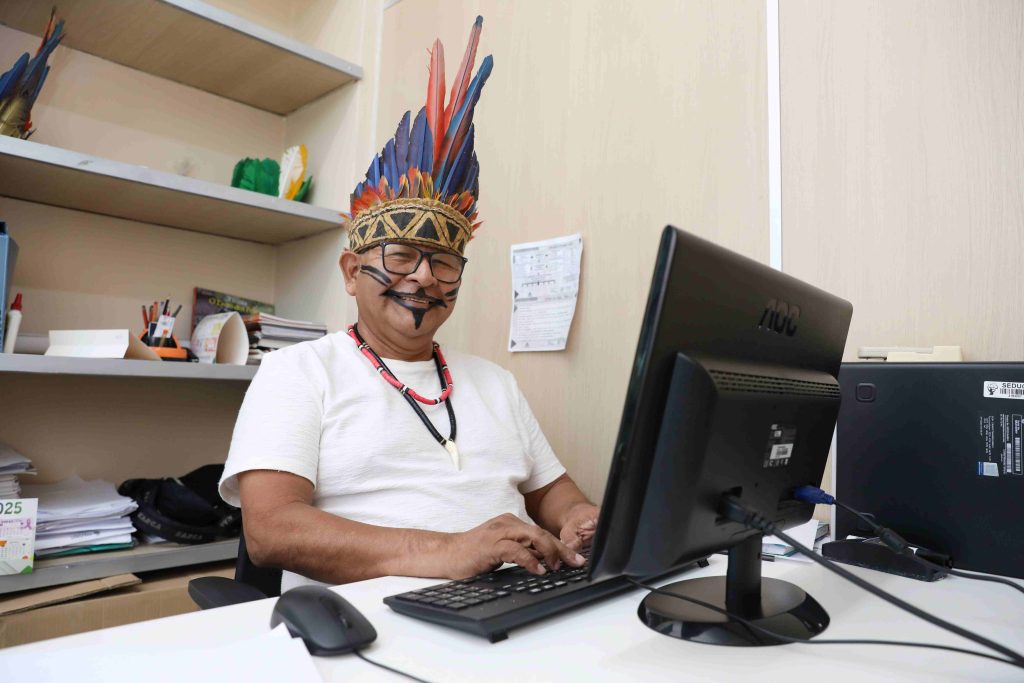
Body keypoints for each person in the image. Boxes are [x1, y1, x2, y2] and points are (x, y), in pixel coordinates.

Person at [218, 17, 599, 593]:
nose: (423, 277)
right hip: (373, 626)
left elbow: (552, 492)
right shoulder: (295, 372)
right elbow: (272, 531)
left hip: (517, 599)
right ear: (352, 273)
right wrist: (451, 551)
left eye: (443, 261)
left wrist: (578, 519)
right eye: (399, 256)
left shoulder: (495, 383)